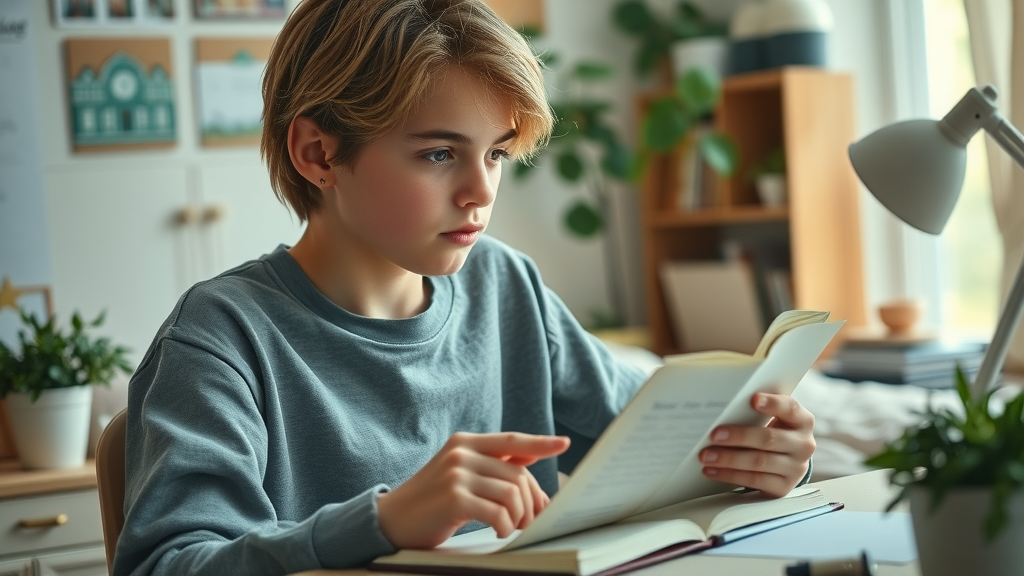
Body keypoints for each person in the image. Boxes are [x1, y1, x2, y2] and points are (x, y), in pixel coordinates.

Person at [114, 1, 817, 575]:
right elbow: (169, 564)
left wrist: (753, 455)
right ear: (318, 154)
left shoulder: (505, 285)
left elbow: (657, 431)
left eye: (498, 154)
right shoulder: (220, 336)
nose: (481, 191)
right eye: (439, 153)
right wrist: (383, 522)